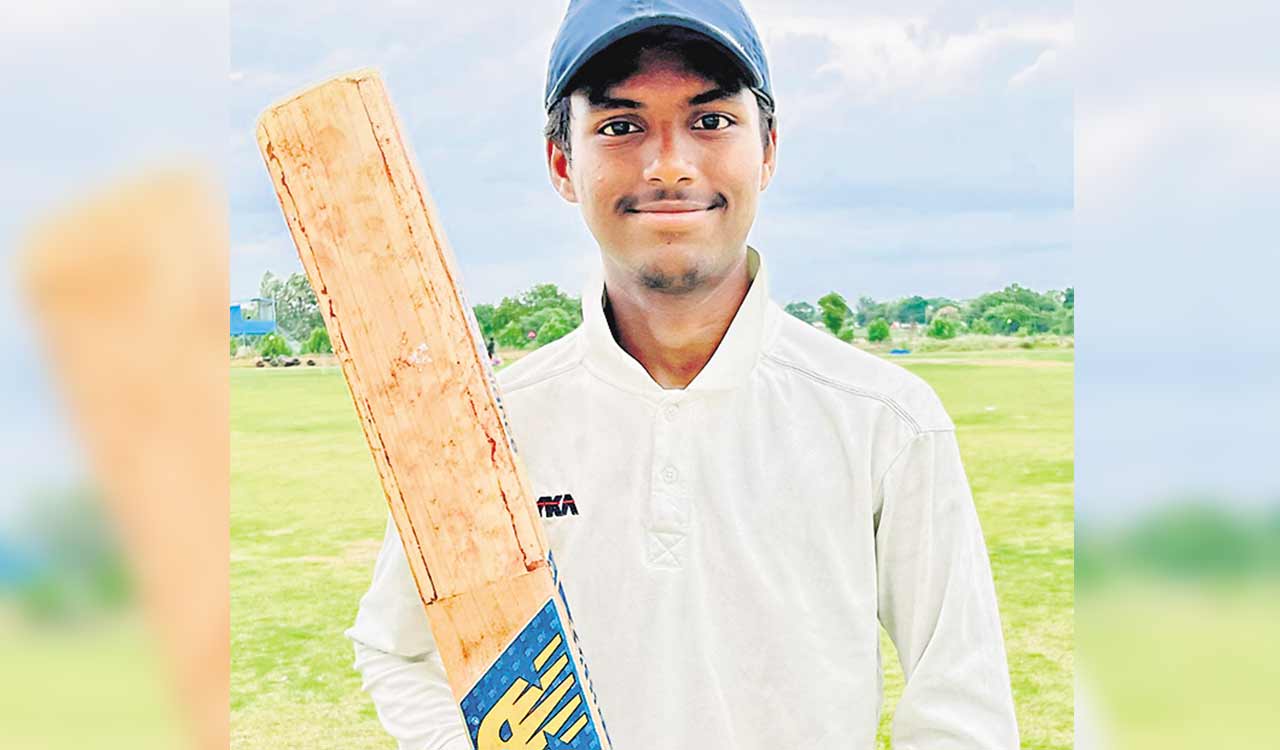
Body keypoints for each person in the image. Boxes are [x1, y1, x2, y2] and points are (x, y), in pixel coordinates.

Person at [345, 1, 1020, 748]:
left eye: (710, 121)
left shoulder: (885, 420)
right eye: (621, 125)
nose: (669, 164)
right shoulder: (486, 426)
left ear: (767, 150)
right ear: (563, 163)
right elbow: (399, 646)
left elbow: (961, 704)